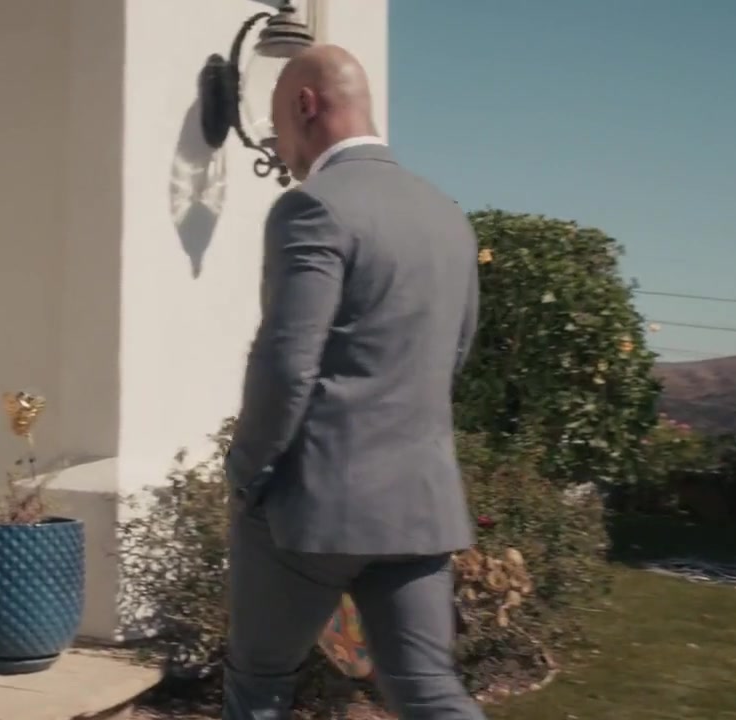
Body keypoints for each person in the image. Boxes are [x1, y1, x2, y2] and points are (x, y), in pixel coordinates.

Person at [223, 44, 485, 720]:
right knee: (429, 692)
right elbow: (452, 354)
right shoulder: (448, 216)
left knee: (259, 686)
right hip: (419, 507)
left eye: (277, 122)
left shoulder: (312, 207)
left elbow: (288, 362)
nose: (278, 145)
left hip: (313, 509)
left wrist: (246, 472)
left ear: (306, 105)